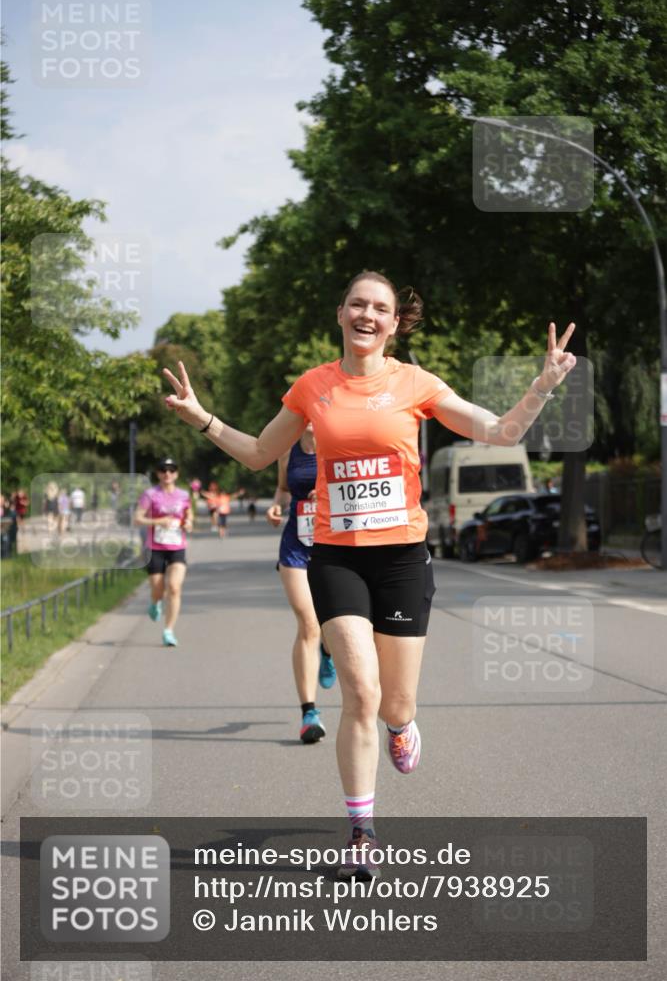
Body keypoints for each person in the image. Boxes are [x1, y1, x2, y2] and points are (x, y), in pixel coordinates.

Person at [163, 270, 576, 877]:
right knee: (360, 692)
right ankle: (362, 833)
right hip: (337, 556)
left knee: (394, 704)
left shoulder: (415, 383)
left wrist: (541, 385)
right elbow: (258, 453)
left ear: (392, 322)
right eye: (358, 303)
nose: (368, 314)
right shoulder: (312, 387)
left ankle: (404, 726)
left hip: (402, 558)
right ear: (340, 313)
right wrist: (201, 417)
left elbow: (501, 431)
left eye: (379, 307)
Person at [266, 422, 337, 744]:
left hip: (333, 544)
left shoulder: (336, 445)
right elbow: (283, 489)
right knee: (308, 623)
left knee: (328, 623)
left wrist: (324, 494)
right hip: (295, 544)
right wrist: (276, 506)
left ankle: (328, 650)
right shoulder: (288, 450)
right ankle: (309, 713)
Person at [134, 456, 193, 647]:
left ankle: (168, 631)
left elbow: (188, 514)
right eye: (163, 470)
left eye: (171, 470)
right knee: (158, 590)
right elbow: (137, 518)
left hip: (177, 547)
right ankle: (155, 602)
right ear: (158, 474)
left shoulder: (184, 495)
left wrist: (189, 523)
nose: (167, 473)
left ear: (176, 474)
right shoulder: (150, 494)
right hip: (155, 548)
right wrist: (158, 521)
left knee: (174, 588)